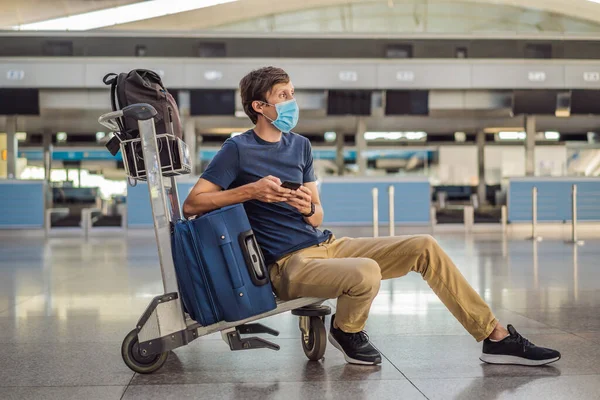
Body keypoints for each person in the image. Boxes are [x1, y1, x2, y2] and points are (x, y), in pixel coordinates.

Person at [182, 66, 561, 367]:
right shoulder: (237, 149)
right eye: (283, 96)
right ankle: (348, 331)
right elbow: (193, 204)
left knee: (424, 246)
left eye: (292, 94)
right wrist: (251, 191)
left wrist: (308, 207)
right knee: (365, 271)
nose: (291, 102)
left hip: (326, 244)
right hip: (287, 265)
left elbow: (317, 216)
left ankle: (494, 338)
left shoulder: (301, 146)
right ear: (259, 106)